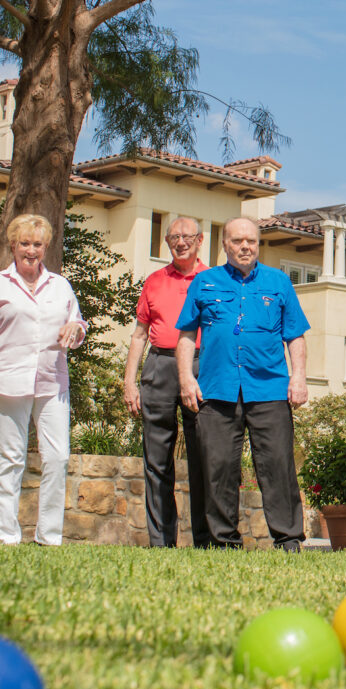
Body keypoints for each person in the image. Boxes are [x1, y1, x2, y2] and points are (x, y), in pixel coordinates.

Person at [175, 217, 309, 551]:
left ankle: (289, 540)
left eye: (251, 241)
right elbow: (186, 335)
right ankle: (224, 542)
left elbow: (295, 336)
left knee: (277, 466)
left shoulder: (279, 282)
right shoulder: (205, 282)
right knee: (218, 469)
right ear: (224, 244)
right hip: (216, 390)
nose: (245, 246)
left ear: (258, 244)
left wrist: (299, 377)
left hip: (269, 389)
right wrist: (185, 379)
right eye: (237, 241)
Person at [0, 214, 86, 546]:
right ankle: (9, 536)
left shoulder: (60, 285)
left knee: (57, 457)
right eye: (25, 244)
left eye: (38, 244)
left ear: (46, 247)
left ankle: (49, 537)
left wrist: (75, 331)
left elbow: (78, 325)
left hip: (52, 383)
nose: (31, 251)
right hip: (8, 382)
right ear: (13, 245)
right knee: (11, 458)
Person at [123, 215, 211, 548]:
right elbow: (139, 335)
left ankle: (206, 540)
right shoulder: (155, 281)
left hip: (202, 368)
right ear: (168, 242)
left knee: (203, 457)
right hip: (159, 365)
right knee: (156, 460)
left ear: (200, 240)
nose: (181, 242)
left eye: (188, 236)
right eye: (174, 237)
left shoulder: (214, 280)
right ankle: (161, 541)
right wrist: (129, 383)